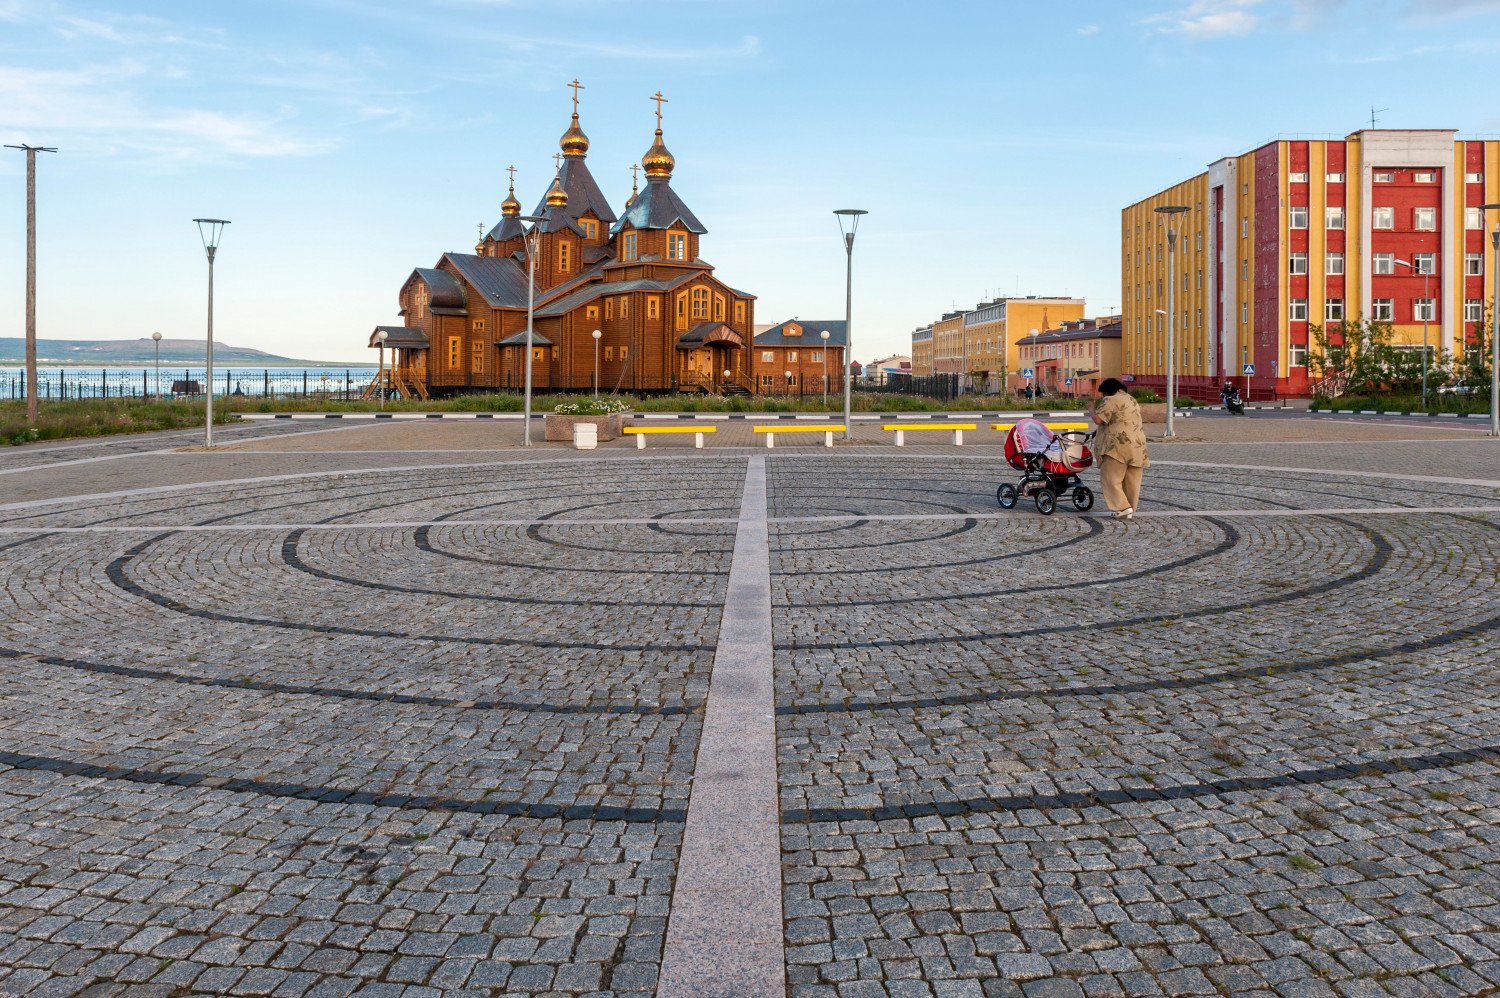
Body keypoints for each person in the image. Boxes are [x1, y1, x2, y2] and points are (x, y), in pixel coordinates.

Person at [1087, 378, 1149, 519]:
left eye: (1103, 393)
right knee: (1132, 480)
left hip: (1118, 445)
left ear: (1107, 391)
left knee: (1111, 478)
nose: (1102, 396)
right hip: (1138, 444)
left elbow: (1099, 420)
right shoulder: (1131, 399)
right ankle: (1129, 509)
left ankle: (1122, 507)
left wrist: (1091, 409)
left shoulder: (1110, 400)